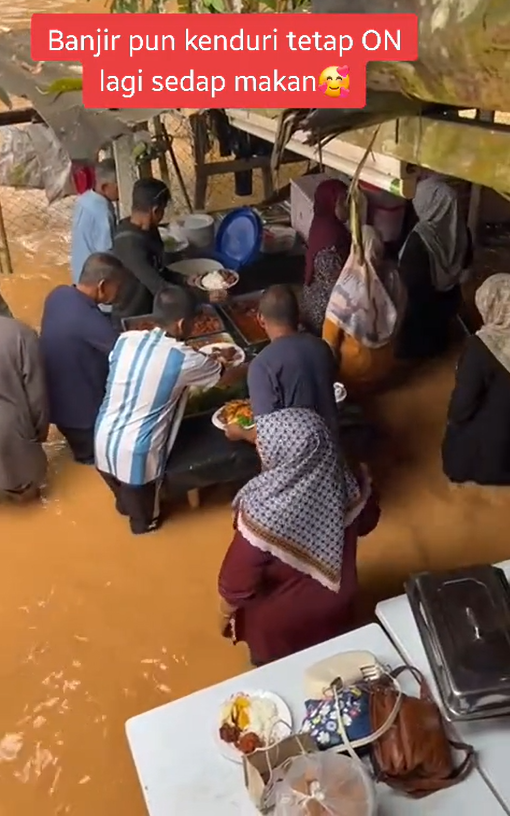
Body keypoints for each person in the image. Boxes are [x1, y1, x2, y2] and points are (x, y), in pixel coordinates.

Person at [218, 409, 380, 666]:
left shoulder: (263, 514)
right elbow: (368, 523)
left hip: (282, 626)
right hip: (338, 604)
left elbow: (236, 584)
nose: (261, 448)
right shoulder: (350, 483)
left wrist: (224, 617)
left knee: (279, 678)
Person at [95, 285, 232, 535]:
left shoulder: (126, 339)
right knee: (145, 523)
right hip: (137, 457)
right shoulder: (185, 359)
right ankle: (146, 524)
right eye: (194, 322)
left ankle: (128, 507)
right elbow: (225, 377)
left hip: (103, 442)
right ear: (181, 325)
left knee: (124, 503)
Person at [225, 285, 339, 445]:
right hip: (333, 444)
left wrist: (241, 432)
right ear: (298, 316)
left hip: (298, 456)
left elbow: (266, 438)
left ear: (260, 319)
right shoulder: (322, 347)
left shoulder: (262, 366)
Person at [40, 253, 125, 465]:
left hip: (56, 403)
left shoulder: (58, 295)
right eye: (118, 286)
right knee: (100, 460)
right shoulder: (89, 321)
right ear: (103, 285)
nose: (120, 293)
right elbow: (125, 354)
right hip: (83, 417)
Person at [442, 274, 510, 486]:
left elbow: (462, 407)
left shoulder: (481, 348)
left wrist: (453, 420)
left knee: (458, 438)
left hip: (494, 459)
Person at [322, 226, 406, 395]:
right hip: (385, 370)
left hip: (353, 375)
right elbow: (400, 320)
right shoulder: (394, 278)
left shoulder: (346, 288)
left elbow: (328, 346)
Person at [396, 175, 470, 359]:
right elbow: (467, 266)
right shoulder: (461, 230)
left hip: (420, 319)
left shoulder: (419, 240)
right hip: (447, 309)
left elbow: (411, 287)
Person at [0, 315, 49, 502]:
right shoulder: (19, 334)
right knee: (25, 493)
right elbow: (37, 396)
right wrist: (38, 434)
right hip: (10, 436)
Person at [111, 178, 170, 328]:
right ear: (156, 210)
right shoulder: (128, 244)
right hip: (134, 320)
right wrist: (201, 295)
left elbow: (159, 269)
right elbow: (159, 287)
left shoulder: (150, 228)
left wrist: (187, 279)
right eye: (163, 210)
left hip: (151, 310)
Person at [301, 178, 351, 335]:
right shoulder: (331, 244)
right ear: (330, 203)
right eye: (342, 202)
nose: (348, 207)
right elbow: (340, 289)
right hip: (324, 315)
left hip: (312, 302)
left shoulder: (322, 223)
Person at [71, 159, 118, 315]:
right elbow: (106, 253)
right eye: (118, 187)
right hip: (96, 285)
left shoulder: (83, 199)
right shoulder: (103, 213)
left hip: (79, 275)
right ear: (105, 187)